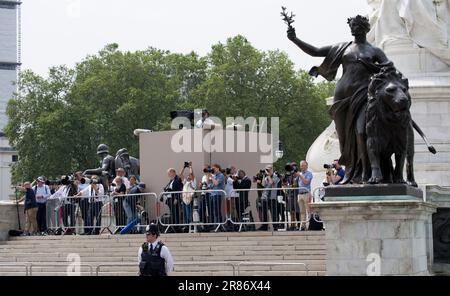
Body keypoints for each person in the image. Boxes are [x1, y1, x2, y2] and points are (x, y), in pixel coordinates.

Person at [287, 15, 392, 184]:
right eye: (352, 26)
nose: (354, 29)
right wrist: (295, 39)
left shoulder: (374, 51)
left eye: (357, 26)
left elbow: (389, 68)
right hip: (342, 97)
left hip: (363, 95)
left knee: (361, 131)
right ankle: (351, 172)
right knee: (343, 137)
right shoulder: (343, 47)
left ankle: (367, 171)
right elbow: (315, 51)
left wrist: (373, 67)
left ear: (365, 29)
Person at [260, 165, 282, 231]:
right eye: (266, 169)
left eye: (268, 169)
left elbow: (271, 182)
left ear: (271, 170)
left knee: (273, 213)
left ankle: (275, 226)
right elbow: (263, 184)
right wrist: (264, 176)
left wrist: (268, 175)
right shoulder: (266, 177)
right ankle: (264, 226)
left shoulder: (276, 177)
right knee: (264, 212)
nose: (267, 171)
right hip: (265, 197)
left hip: (272, 197)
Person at [297, 161, 313, 231]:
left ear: (307, 166)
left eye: (303, 165)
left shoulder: (309, 173)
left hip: (306, 193)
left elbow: (306, 182)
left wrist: (300, 176)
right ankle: (303, 226)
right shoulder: (299, 174)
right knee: (302, 211)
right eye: (301, 165)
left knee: (308, 211)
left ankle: (310, 225)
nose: (302, 167)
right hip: (300, 194)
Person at [179, 161, 196, 228]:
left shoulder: (193, 181)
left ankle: (191, 226)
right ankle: (187, 226)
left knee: (189, 213)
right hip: (184, 199)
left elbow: (191, 173)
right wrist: (184, 167)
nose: (189, 176)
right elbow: (180, 174)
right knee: (185, 214)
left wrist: (190, 166)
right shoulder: (186, 182)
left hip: (190, 199)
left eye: (190, 176)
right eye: (188, 176)